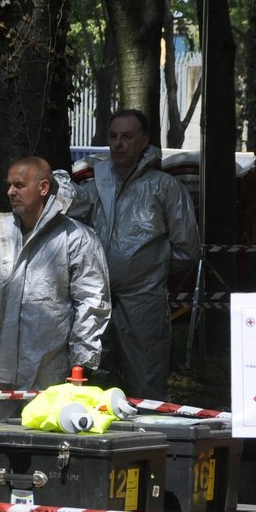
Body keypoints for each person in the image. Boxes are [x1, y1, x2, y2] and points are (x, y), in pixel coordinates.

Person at [61, 109, 199, 400]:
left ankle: (147, 441)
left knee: (146, 383)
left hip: (144, 303)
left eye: (127, 136)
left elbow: (187, 249)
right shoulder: (95, 185)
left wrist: (149, 272)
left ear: (144, 141)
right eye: (113, 137)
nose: (118, 144)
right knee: (93, 380)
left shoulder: (165, 187)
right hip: (95, 298)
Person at [0, 159, 110, 420]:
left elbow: (92, 303)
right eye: (8, 185)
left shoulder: (75, 238)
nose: (10, 192)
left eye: (19, 185)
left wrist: (82, 362)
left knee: (46, 448)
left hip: (50, 372)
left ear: (43, 187)